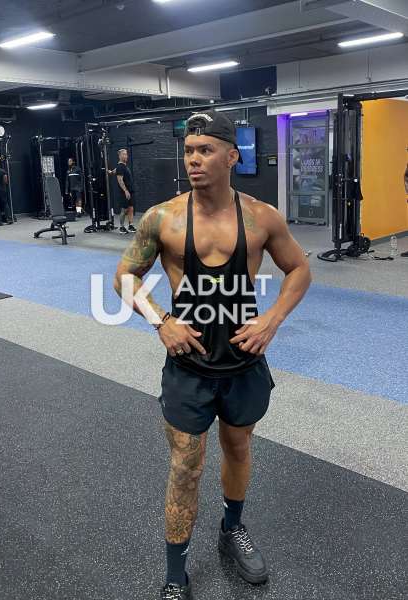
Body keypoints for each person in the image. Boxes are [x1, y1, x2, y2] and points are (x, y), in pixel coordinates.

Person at [114, 110, 312, 600]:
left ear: (231, 156)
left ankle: (231, 528)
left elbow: (299, 269)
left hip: (244, 363)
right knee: (186, 464)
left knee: (238, 447)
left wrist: (271, 320)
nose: (194, 160)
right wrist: (161, 321)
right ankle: (175, 572)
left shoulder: (263, 217)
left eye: (205, 150)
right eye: (188, 151)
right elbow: (125, 277)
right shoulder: (162, 218)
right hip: (189, 366)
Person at [115, 148, 136, 234]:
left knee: (131, 208)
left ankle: (130, 225)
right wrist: (126, 191)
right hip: (124, 192)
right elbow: (120, 180)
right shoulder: (120, 167)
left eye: (126, 154)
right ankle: (121, 227)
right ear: (119, 156)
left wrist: (111, 172)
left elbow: (115, 171)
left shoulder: (123, 166)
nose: (126, 156)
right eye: (124, 154)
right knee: (124, 210)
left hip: (130, 191)